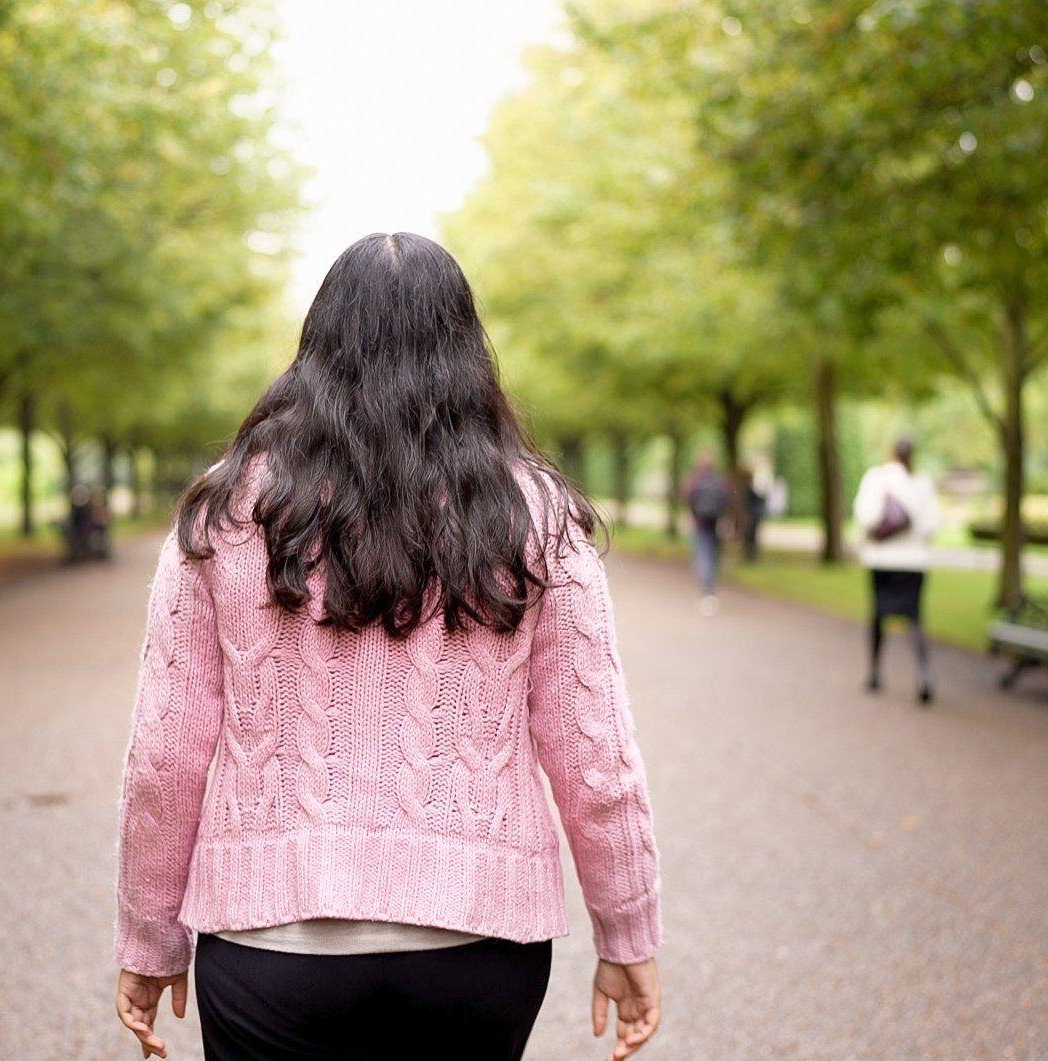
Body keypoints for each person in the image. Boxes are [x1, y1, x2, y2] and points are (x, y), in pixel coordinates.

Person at [112, 233, 663, 1061]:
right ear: (467, 350)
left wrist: (149, 938)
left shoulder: (226, 511)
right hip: (475, 951)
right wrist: (626, 933)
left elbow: (164, 752)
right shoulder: (536, 517)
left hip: (270, 946)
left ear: (317, 345)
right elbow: (596, 755)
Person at [852, 436, 941, 704]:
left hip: (883, 561)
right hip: (914, 563)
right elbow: (931, 525)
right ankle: (924, 673)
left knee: (879, 615)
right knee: (913, 618)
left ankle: (875, 672)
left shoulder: (878, 478)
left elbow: (865, 516)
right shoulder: (922, 483)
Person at [685, 452, 731, 614]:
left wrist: (692, 515)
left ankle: (706, 593)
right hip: (715, 525)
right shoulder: (720, 481)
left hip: (700, 525)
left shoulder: (695, 481)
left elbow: (688, 498)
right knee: (713, 558)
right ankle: (711, 591)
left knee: (703, 557)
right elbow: (727, 501)